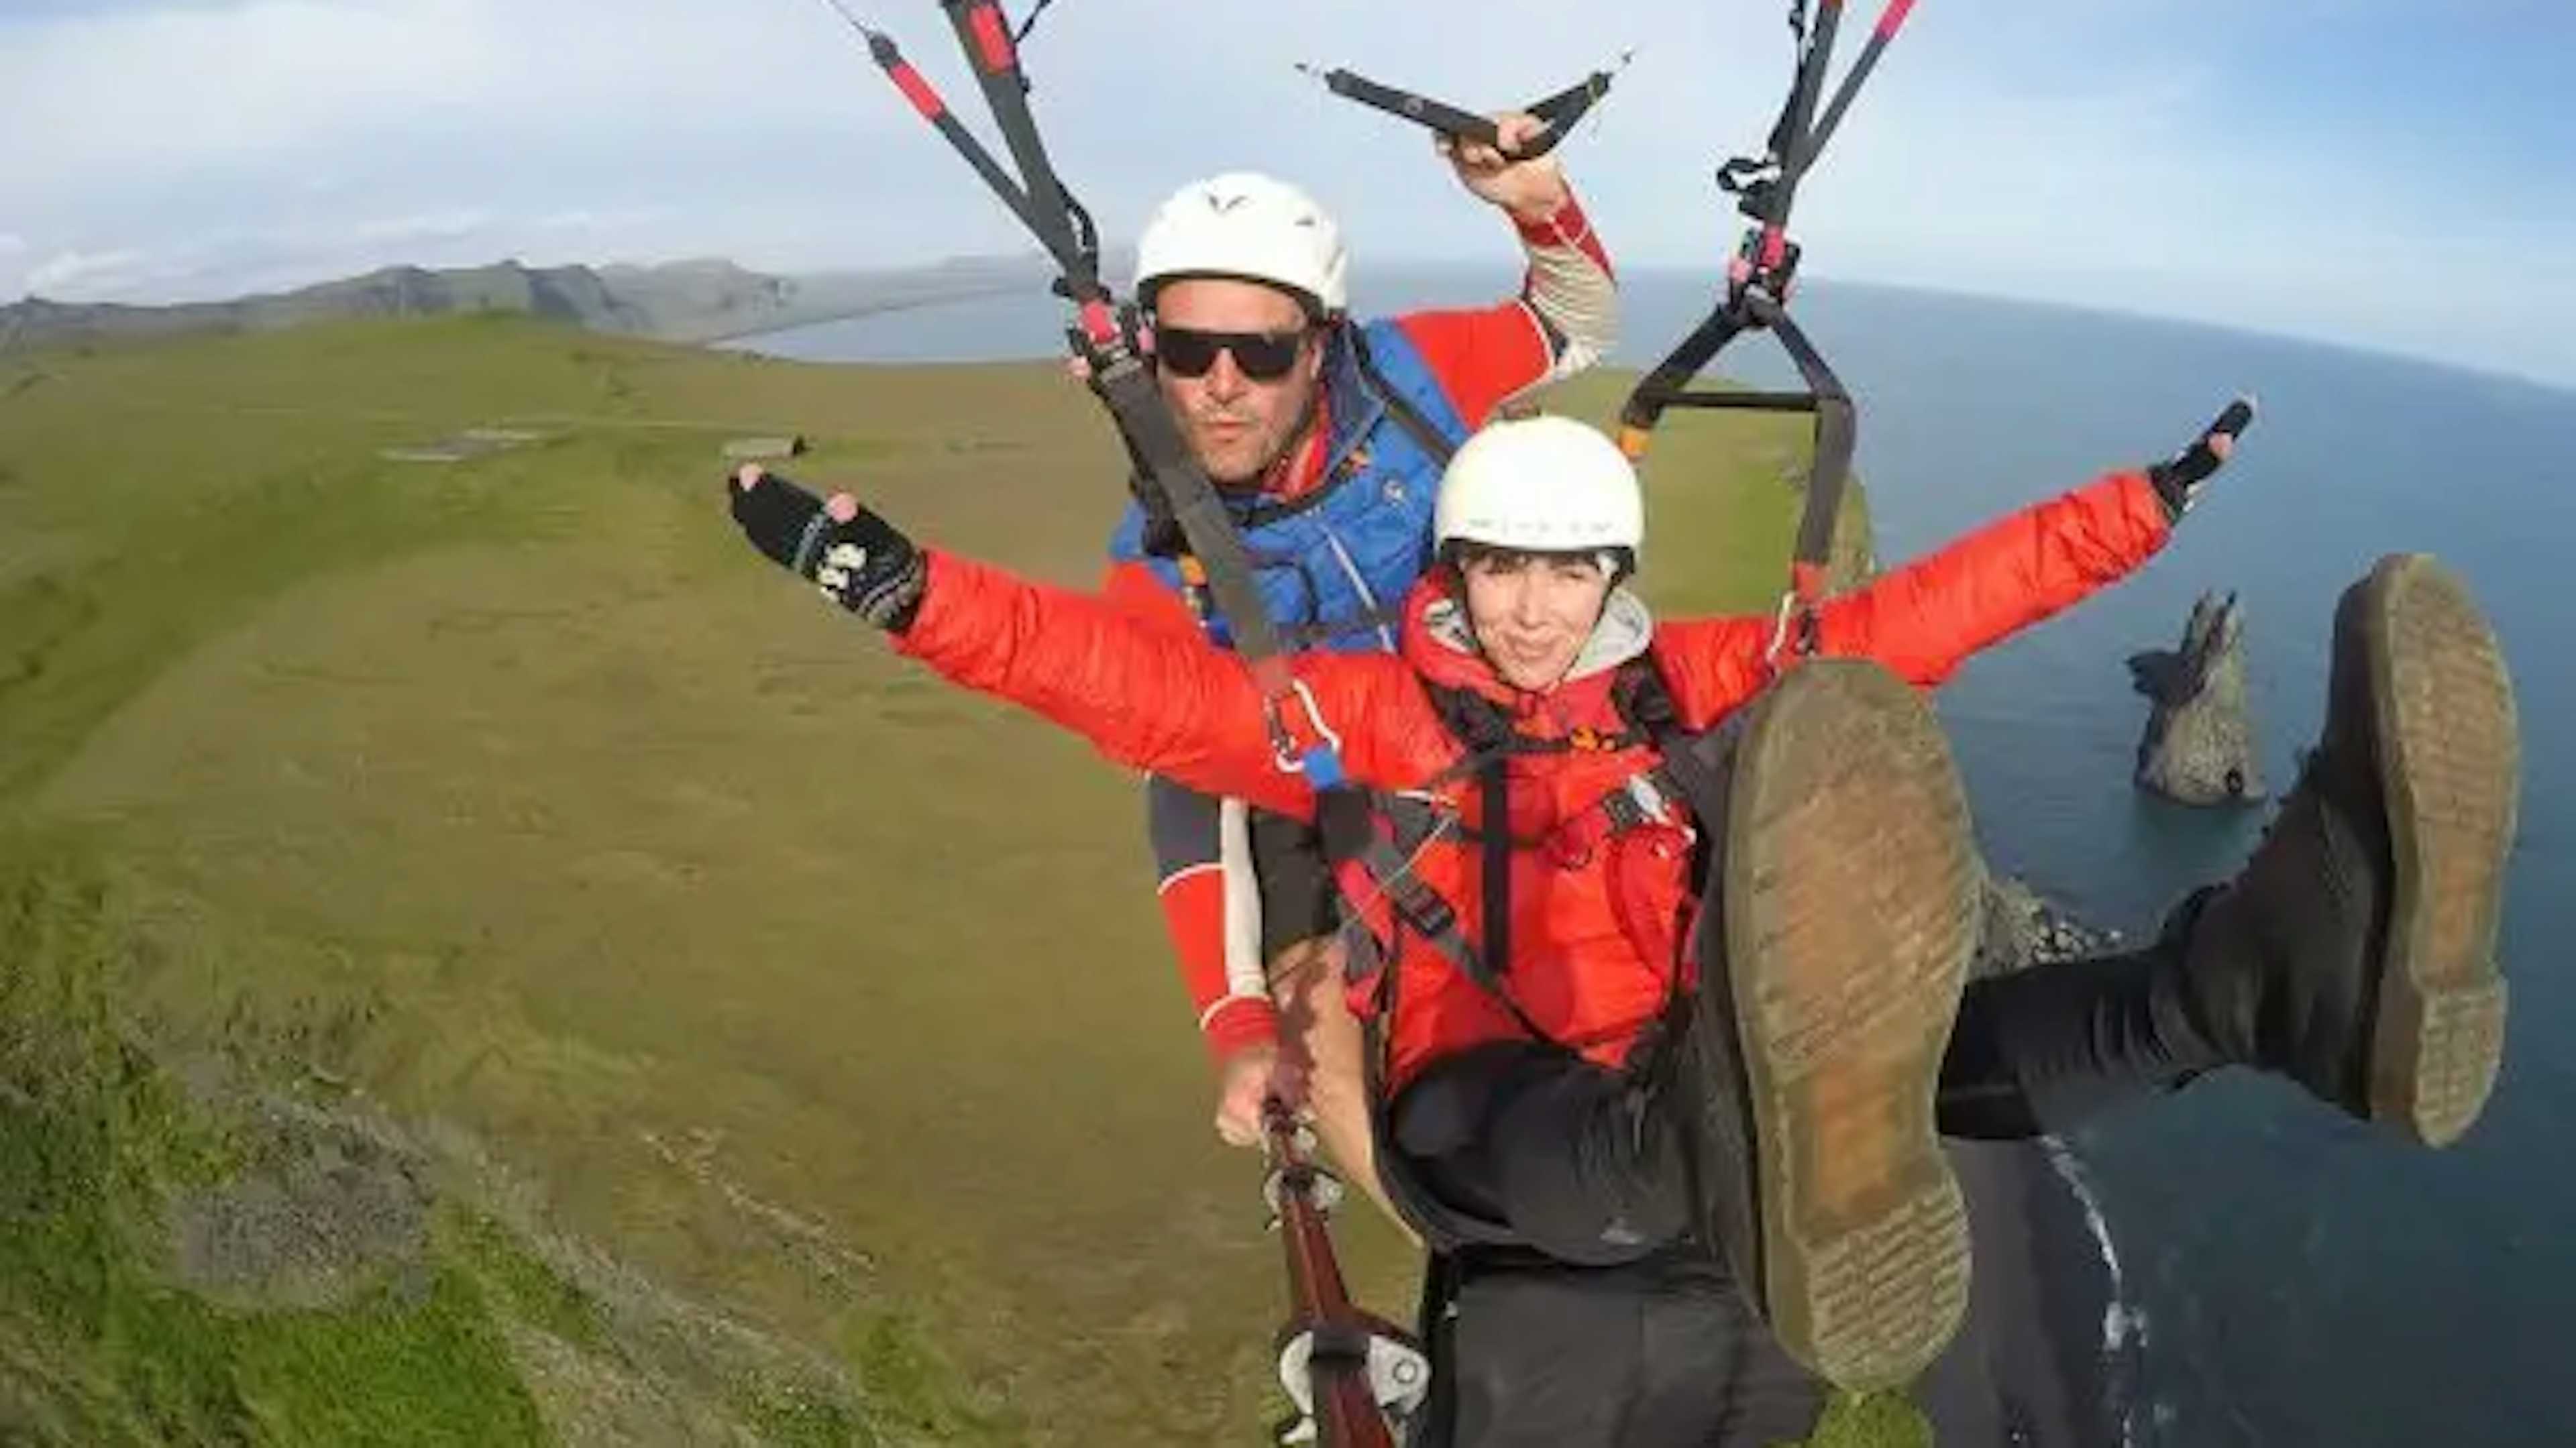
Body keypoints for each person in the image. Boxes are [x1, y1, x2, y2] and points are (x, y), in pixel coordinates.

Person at [720, 413, 2518, 1441]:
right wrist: (897, 586)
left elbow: (1911, 629)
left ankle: (2275, 971)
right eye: (1497, 566)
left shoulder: (1692, 689)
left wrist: (2128, 517)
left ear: (1610, 574)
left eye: (1562, 568)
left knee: (1882, 1077)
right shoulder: (1363, 714)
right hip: (1491, 1143)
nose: (1526, 603)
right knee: (1786, 1105)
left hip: (1733, 1217)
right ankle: (1780, 1128)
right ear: (1456, 567)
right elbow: (1118, 682)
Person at [1098, 117, 1616, 1225]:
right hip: (1316, 785)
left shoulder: (1409, 378)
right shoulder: (1156, 563)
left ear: (1322, 343)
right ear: (1149, 355)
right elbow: (1186, 799)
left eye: (1262, 352)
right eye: (1186, 353)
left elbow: (1573, 323)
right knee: (1318, 1026)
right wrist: (1235, 1023)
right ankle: (1469, 1250)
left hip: (1476, 708)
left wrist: (1538, 203)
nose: (1220, 388)